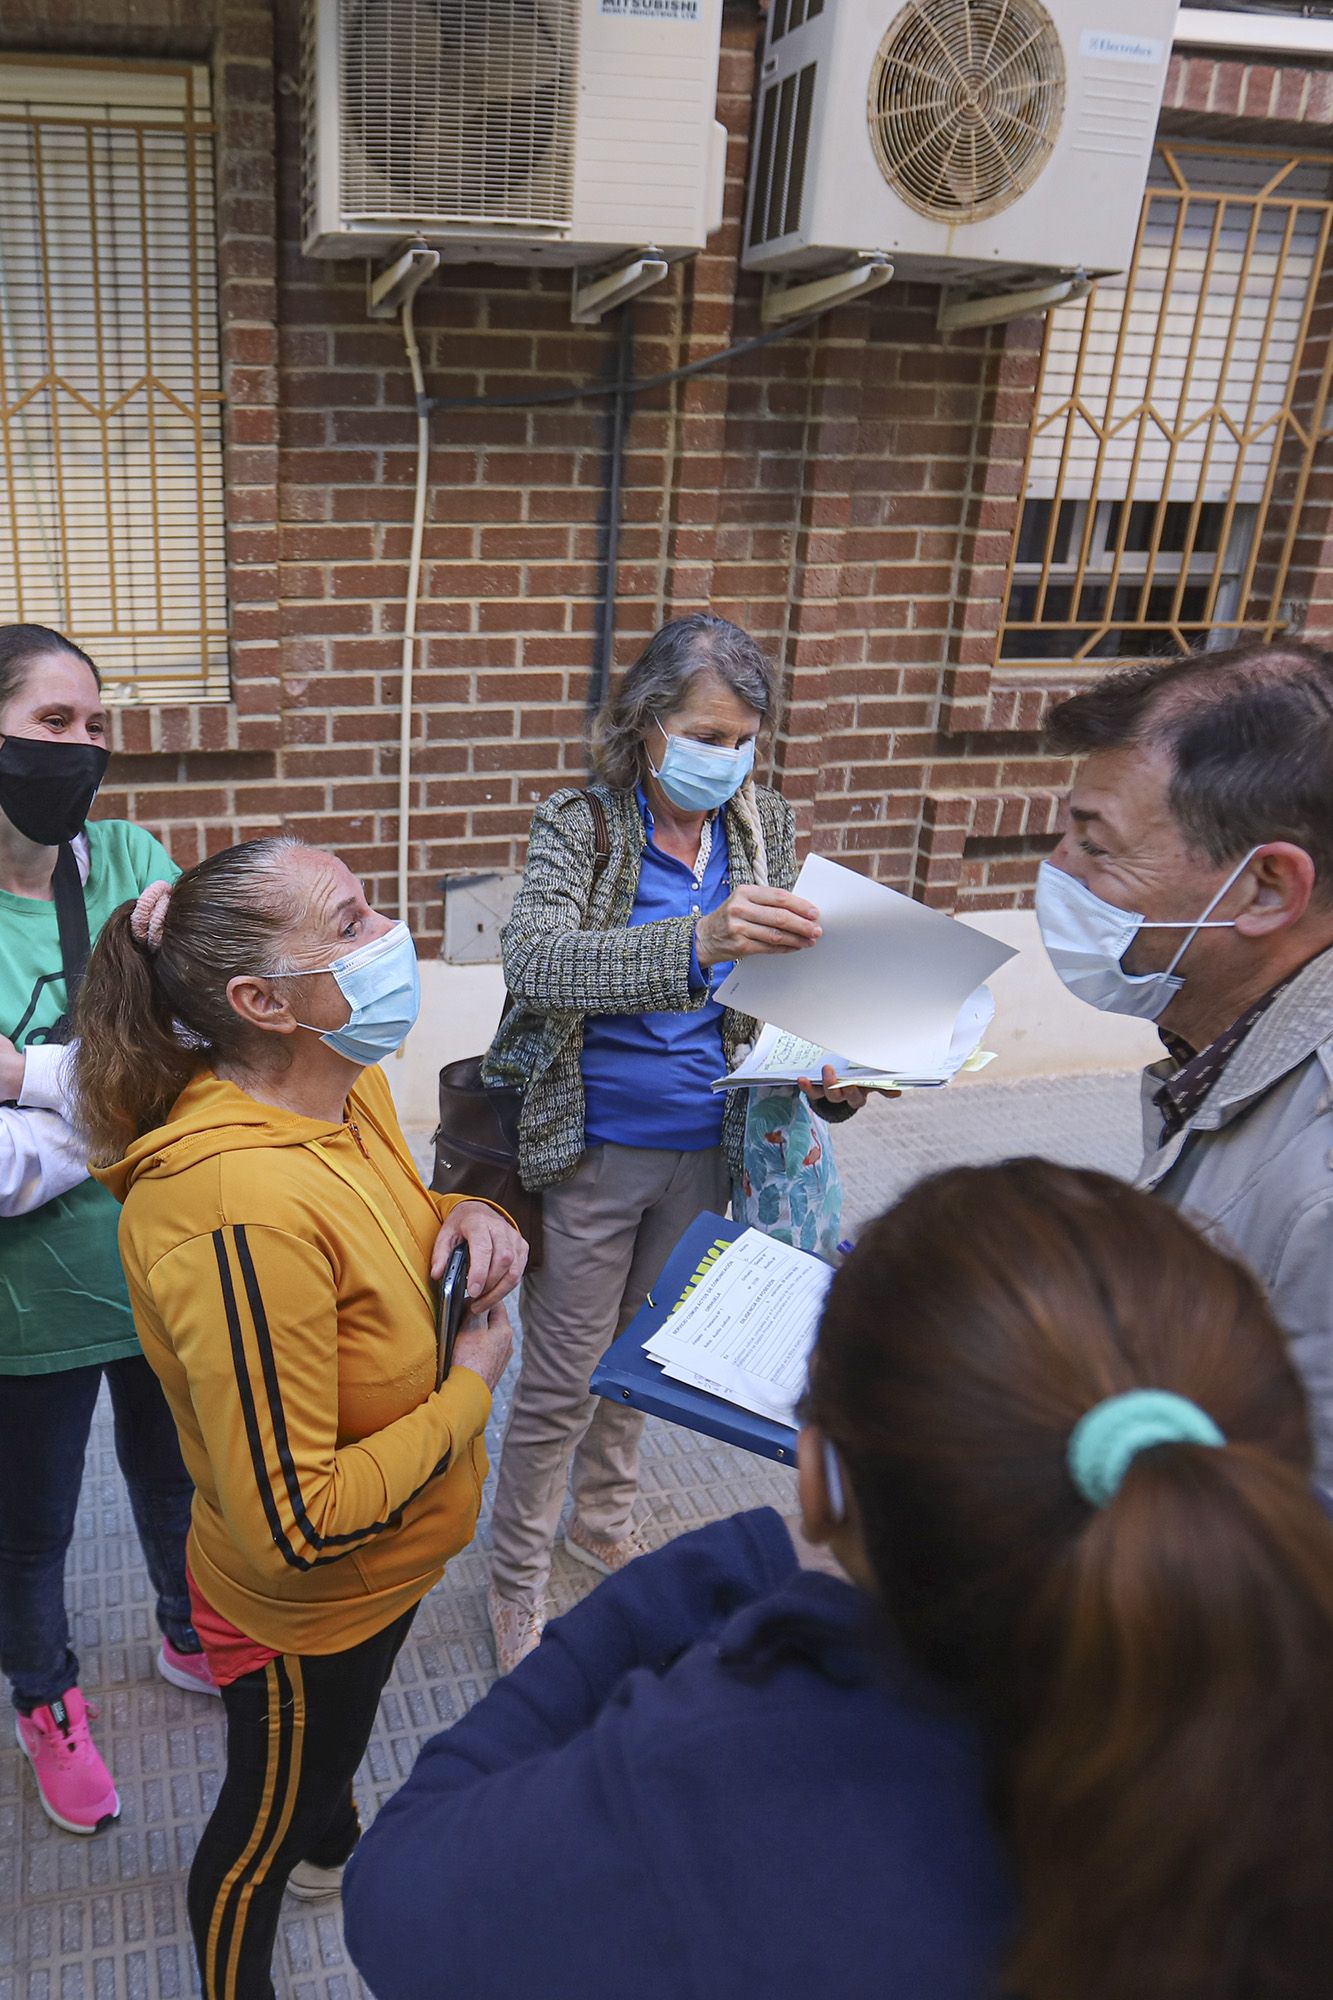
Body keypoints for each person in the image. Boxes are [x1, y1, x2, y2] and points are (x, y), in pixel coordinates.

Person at [342, 1157, 1333, 2000]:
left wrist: (718, 1569)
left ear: (817, 1478)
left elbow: (396, 1891)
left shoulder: (718, 1769)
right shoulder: (1274, 1716)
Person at [69, 835, 526, 2000]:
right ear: (259, 1001)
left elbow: (390, 1213)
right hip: (305, 1604)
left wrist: (463, 1210)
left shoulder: (347, 1084)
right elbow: (299, 1519)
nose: (390, 937)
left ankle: (332, 1836)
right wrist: (473, 1380)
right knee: (253, 1834)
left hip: (398, 1555)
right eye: (351, 920)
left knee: (329, 1748)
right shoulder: (234, 1205)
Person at [481, 612, 863, 1671]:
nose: (726, 759)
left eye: (745, 738)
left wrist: (834, 1061)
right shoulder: (582, 825)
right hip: (596, 1146)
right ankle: (513, 1580)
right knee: (561, 1375)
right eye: (706, 732)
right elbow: (540, 963)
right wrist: (697, 940)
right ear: (646, 722)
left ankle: (599, 1518)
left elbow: (785, 990)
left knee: (650, 1354)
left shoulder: (764, 824)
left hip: (716, 1140)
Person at [0, 622, 213, 1840]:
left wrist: (27, 1075)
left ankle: (187, 1635)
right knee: (30, 1527)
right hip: (29, 1299)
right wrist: (115, 1088)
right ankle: (46, 1697)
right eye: (52, 723)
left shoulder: (130, 854)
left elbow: (185, 1055)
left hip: (156, 1260)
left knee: (171, 1476)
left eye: (95, 723)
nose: (83, 746)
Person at [1037, 641, 1333, 1485]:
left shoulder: (1318, 1184)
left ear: (1266, 888)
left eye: (1097, 845)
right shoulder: (1225, 1048)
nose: (1057, 870)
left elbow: (1289, 1539)